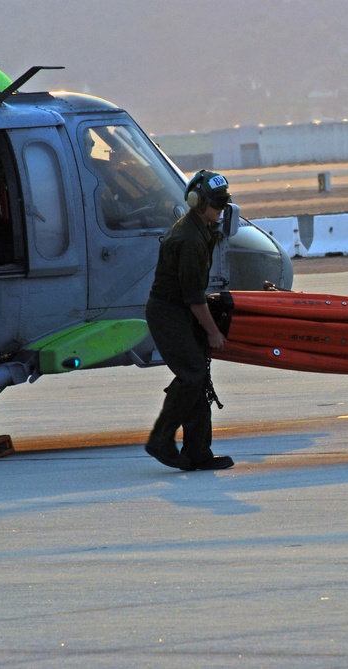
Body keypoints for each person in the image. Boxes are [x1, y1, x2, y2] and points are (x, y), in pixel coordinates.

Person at [144, 170, 234, 471]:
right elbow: (194, 297)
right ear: (198, 202)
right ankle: (161, 439)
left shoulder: (202, 229)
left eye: (225, 204)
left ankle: (198, 452)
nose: (222, 210)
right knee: (193, 375)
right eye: (217, 204)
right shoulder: (191, 239)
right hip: (169, 312)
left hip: (179, 310)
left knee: (198, 378)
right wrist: (213, 333)